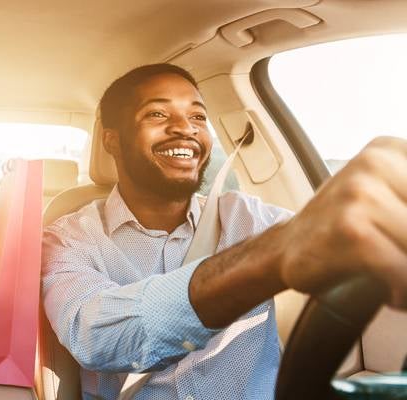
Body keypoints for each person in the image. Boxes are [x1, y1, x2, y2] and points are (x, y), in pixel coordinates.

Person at [41, 63, 407, 399]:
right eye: (157, 113)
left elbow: (330, 240)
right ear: (112, 140)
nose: (185, 128)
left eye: (198, 115)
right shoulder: (68, 238)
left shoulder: (248, 217)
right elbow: (94, 335)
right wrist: (268, 259)